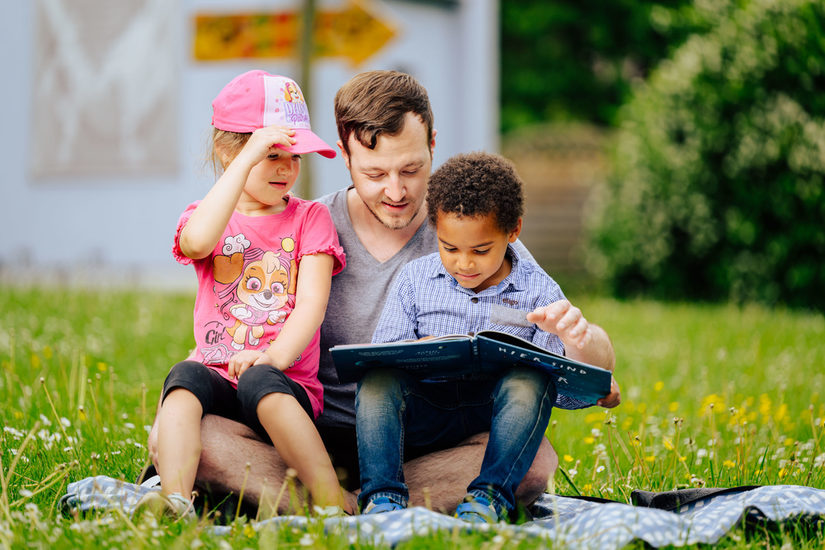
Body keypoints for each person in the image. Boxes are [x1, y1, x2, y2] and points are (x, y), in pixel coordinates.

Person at [148, 70, 617, 515]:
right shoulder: (306, 224)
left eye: (411, 169)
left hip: (422, 440)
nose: (396, 191)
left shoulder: (472, 235)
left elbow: (581, 348)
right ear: (344, 156)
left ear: (433, 146)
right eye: (375, 174)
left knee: (534, 463)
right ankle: (349, 503)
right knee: (193, 434)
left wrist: (584, 341)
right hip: (298, 431)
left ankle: (363, 504)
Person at [355, 151, 621, 523]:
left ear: (513, 232)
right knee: (378, 380)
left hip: (493, 419)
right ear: (435, 229)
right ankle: (382, 499)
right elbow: (383, 357)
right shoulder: (415, 280)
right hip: (426, 411)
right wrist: (418, 351)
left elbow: (558, 389)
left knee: (531, 378)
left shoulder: (538, 290)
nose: (465, 263)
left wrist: (590, 382)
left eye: (481, 251)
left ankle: (488, 499)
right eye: (450, 248)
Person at [139, 70, 348, 519]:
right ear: (228, 153)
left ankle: (333, 503)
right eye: (271, 154)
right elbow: (195, 243)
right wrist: (245, 158)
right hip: (217, 373)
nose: (286, 167)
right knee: (182, 379)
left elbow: (312, 304)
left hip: (282, 380)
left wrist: (273, 357)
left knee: (258, 381)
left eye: (294, 155)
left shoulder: (309, 218)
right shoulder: (206, 217)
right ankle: (176, 498)